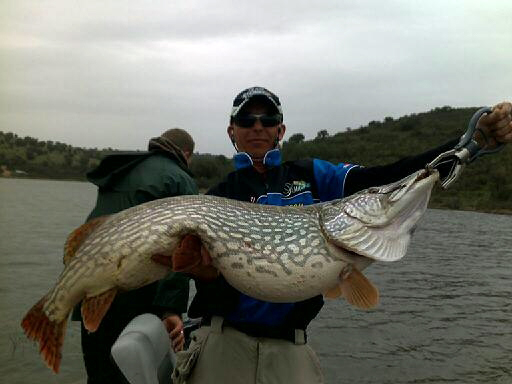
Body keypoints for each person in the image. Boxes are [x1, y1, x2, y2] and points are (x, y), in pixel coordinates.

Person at [171, 87, 512, 384]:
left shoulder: (312, 175)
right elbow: (198, 281)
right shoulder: (217, 198)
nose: (257, 127)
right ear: (232, 131)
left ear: (281, 129)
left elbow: (387, 179)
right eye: (247, 121)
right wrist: (195, 283)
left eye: (267, 119)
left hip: (291, 348)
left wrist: (469, 145)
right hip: (222, 342)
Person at [72, 128, 198, 383]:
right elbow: (180, 252)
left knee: (99, 374)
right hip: (137, 293)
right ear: (186, 154)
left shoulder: (124, 170)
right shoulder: (179, 178)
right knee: (131, 372)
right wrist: (171, 308)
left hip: (92, 287)